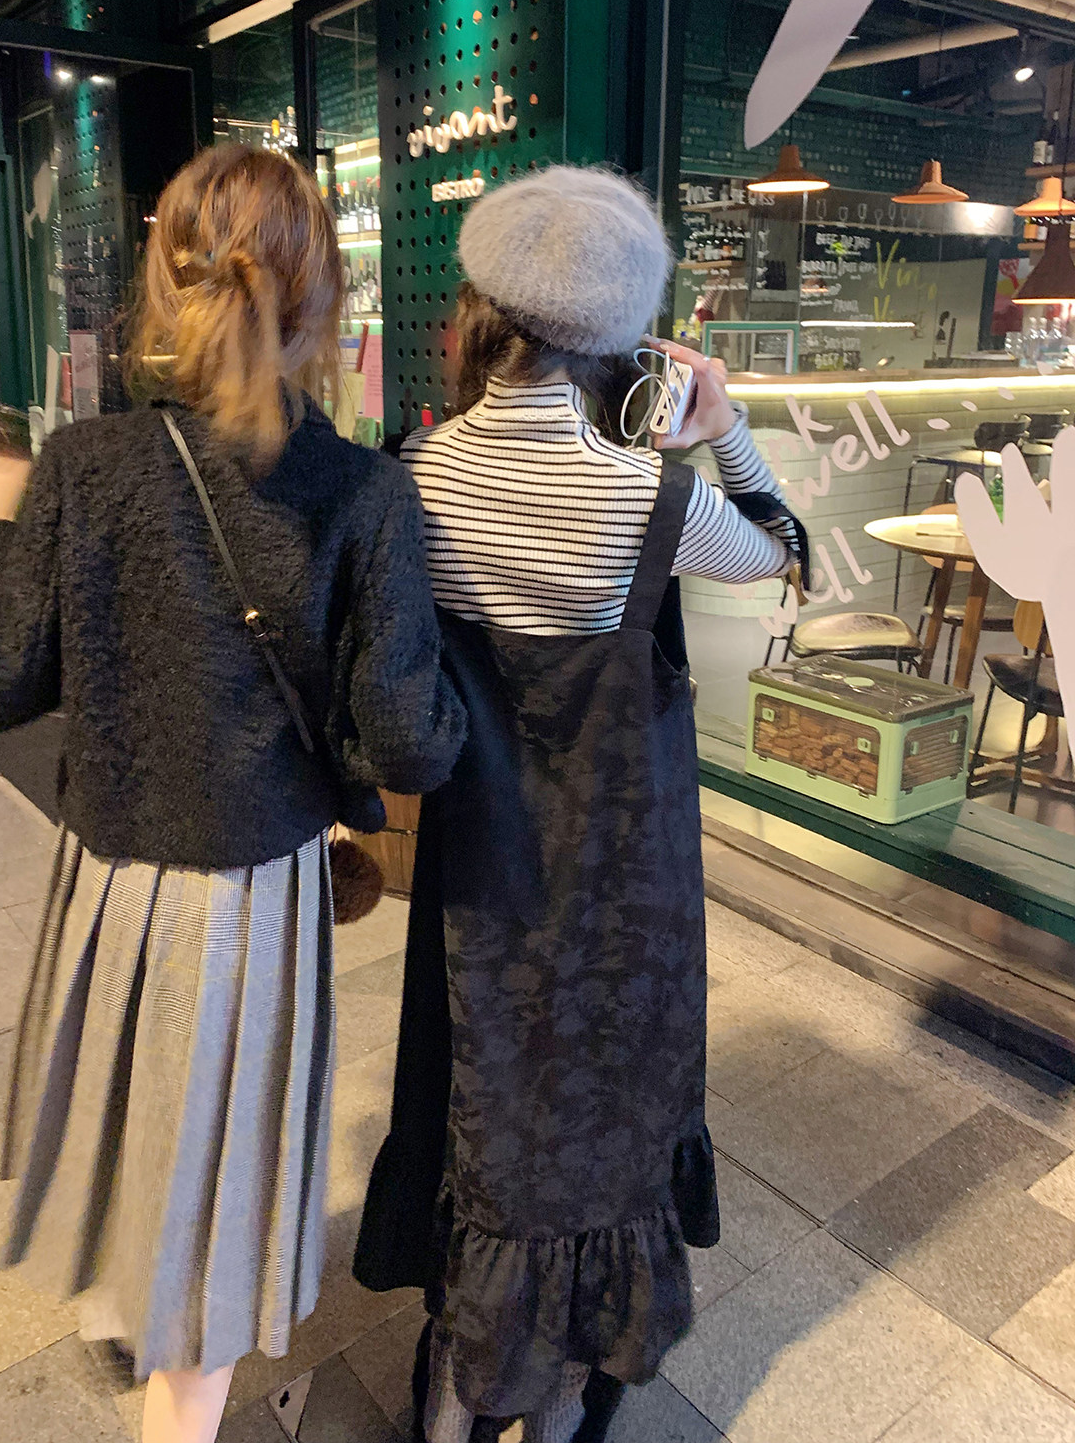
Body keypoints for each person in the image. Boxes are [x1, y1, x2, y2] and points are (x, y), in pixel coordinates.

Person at [0, 144, 467, 1443]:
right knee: (219, 1192)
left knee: (130, 1124)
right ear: (323, 296)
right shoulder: (366, 491)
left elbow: (0, 680)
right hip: (253, 895)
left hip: (105, 881)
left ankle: (135, 1311)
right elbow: (408, 743)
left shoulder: (87, 464)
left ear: (165, 282)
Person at [354, 166, 802, 1443]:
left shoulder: (412, 476)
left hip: (478, 866)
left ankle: (460, 1382)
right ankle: (560, 1392)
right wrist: (725, 426)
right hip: (625, 886)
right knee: (602, 1114)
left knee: (479, 1094)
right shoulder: (656, 497)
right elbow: (785, 555)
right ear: (621, 337)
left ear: (481, 312)